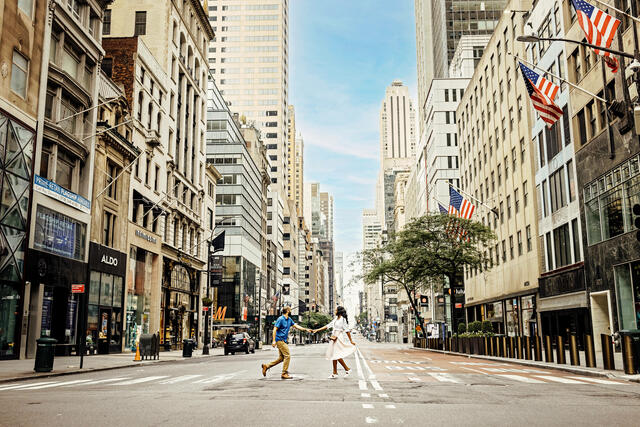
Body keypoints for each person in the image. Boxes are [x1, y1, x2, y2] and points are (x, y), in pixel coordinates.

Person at [261, 307, 310, 379]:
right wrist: (274, 340)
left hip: (284, 340)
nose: (290, 310)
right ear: (287, 311)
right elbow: (275, 329)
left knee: (281, 358)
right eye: (290, 309)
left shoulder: (289, 319)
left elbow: (296, 326)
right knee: (287, 356)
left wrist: (305, 329)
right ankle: (284, 373)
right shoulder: (280, 319)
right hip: (280, 340)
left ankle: (267, 366)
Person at [314, 306, 356, 379]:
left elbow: (347, 330)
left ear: (339, 311)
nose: (334, 311)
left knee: (336, 354)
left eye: (336, 310)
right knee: (334, 354)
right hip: (334, 336)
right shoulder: (336, 319)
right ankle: (335, 373)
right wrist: (317, 330)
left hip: (338, 337)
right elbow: (328, 326)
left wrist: (351, 340)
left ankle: (347, 369)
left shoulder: (343, 320)